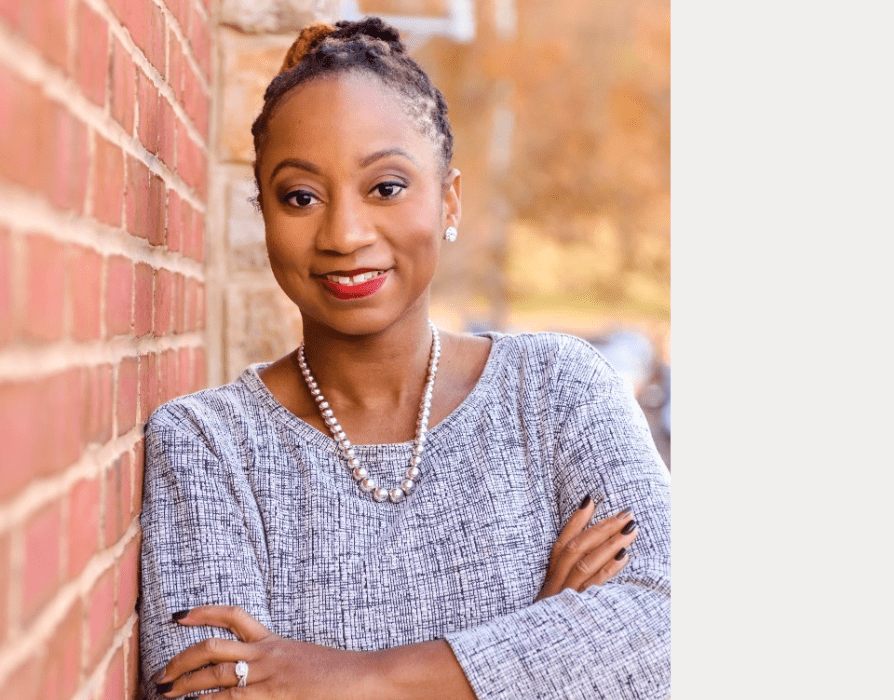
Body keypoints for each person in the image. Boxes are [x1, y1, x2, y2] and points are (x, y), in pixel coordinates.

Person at [138, 17, 670, 699]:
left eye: (385, 187)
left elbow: (664, 627)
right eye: (300, 197)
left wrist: (359, 679)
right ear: (264, 212)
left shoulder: (557, 391)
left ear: (448, 199)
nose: (344, 233)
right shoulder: (210, 445)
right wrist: (542, 643)